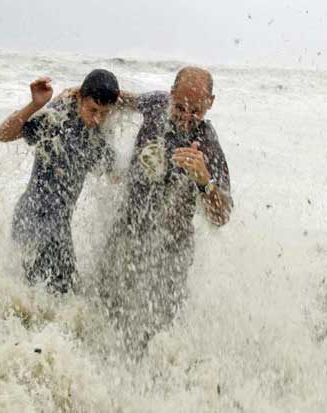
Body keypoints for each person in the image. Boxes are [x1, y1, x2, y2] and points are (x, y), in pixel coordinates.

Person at [97, 66, 232, 354]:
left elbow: (222, 217)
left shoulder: (207, 145)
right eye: (180, 107)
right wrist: (83, 95)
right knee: (104, 306)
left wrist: (204, 181)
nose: (186, 117)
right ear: (170, 95)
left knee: (156, 333)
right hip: (127, 231)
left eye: (195, 111)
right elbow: (122, 100)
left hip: (172, 249)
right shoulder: (156, 104)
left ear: (211, 103)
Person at [0, 69, 120, 294]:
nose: (97, 118)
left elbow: (114, 175)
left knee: (47, 299)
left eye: (104, 113)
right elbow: (3, 135)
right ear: (80, 98)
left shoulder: (97, 136)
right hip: (33, 219)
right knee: (60, 297)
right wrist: (35, 105)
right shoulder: (57, 119)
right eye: (92, 110)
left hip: (58, 228)